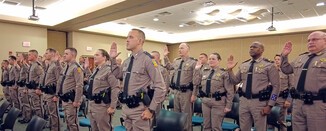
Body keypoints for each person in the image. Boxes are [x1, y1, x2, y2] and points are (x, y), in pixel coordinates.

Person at [113, 29, 166, 131]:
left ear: (140, 41)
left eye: (131, 37)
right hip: (126, 107)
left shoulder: (148, 60)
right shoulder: (127, 61)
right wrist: (112, 60)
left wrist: (151, 110)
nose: (127, 40)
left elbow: (161, 87)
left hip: (140, 110)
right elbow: (117, 75)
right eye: (127, 37)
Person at [227, 41, 280, 131]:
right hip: (244, 101)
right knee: (243, 128)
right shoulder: (244, 65)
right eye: (250, 47)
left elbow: (276, 87)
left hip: (259, 102)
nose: (251, 48)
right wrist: (230, 70)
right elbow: (235, 81)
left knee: (260, 129)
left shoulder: (269, 65)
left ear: (262, 50)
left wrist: (270, 105)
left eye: (255, 47)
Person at [280, 31, 326, 131]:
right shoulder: (301, 58)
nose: (310, 42)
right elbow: (286, 69)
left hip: (317, 104)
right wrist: (284, 56)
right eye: (308, 40)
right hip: (298, 103)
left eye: (314, 39)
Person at [194, 52, 235, 131]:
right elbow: (195, 82)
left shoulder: (224, 72)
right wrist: (196, 70)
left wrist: (228, 106)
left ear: (219, 60)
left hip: (218, 102)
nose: (211, 60)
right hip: (206, 101)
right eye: (209, 59)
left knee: (216, 127)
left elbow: (230, 91)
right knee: (206, 126)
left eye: (213, 59)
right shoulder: (204, 71)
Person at [163, 43, 197, 131]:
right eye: (179, 48)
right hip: (176, 91)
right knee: (176, 114)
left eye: (182, 48)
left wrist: (194, 94)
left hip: (186, 92)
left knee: (186, 115)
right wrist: (165, 57)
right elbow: (169, 67)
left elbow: (196, 81)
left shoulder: (193, 62)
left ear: (187, 49)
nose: (179, 50)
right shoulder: (177, 61)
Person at [86, 49, 120, 131]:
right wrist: (87, 69)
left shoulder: (109, 70)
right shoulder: (96, 70)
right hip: (92, 104)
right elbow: (92, 82)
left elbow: (115, 88)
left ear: (104, 57)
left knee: (104, 129)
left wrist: (112, 106)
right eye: (94, 54)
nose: (94, 56)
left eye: (97, 55)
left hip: (102, 106)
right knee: (94, 128)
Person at [56, 47, 83, 131]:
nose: (64, 55)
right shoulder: (66, 67)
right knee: (68, 120)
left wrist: (76, 101)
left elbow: (79, 85)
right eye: (64, 53)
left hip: (72, 100)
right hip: (65, 99)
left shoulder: (76, 68)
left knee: (72, 122)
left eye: (66, 54)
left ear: (73, 55)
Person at [41, 48, 62, 131]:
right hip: (47, 93)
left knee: (54, 114)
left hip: (52, 94)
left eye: (47, 53)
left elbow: (58, 81)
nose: (45, 54)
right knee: (49, 112)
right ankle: (52, 126)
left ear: (52, 54)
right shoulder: (49, 65)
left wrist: (56, 95)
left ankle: (55, 129)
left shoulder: (55, 66)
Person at [273, 54, 293, 131]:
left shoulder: (287, 71)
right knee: (270, 120)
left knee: (282, 122)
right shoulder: (271, 71)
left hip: (282, 99)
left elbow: (292, 86)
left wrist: (288, 99)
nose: (277, 61)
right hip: (273, 97)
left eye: (279, 59)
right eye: (275, 59)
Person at [150, 50, 170, 127]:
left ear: (158, 58)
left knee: (157, 114)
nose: (151, 59)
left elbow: (166, 83)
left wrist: (163, 96)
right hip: (148, 95)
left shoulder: (162, 69)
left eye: (153, 57)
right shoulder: (148, 68)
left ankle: (158, 128)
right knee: (148, 114)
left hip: (157, 95)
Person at [26, 50, 44, 119]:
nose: (28, 56)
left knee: (38, 106)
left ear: (34, 56)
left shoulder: (37, 65)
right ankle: (36, 121)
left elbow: (42, 76)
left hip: (35, 89)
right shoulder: (32, 65)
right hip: (31, 89)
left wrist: (39, 88)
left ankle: (40, 123)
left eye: (30, 54)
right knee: (34, 106)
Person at [16, 53, 32, 123]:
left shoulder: (25, 66)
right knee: (22, 103)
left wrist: (26, 88)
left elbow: (27, 78)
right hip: (21, 87)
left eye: (19, 56)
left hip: (24, 88)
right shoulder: (22, 66)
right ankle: (24, 116)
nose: (17, 57)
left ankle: (28, 117)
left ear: (23, 58)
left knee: (26, 104)